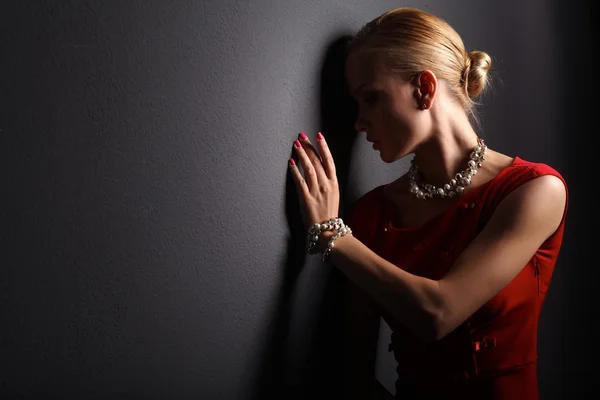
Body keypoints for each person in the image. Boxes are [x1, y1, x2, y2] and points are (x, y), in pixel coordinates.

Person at [288, 7, 568, 400]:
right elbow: (353, 374)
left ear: (425, 88)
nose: (359, 122)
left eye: (371, 98)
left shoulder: (535, 190)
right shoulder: (371, 214)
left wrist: (332, 235)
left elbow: (438, 313)